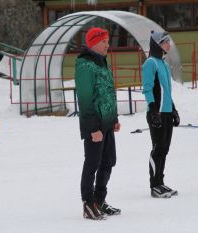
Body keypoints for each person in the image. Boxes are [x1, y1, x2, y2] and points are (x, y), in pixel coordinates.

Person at [75, 27, 121, 220]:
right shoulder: (86, 65)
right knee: (92, 163)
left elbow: (108, 93)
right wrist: (93, 128)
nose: (107, 45)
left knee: (108, 161)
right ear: (93, 42)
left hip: (107, 123)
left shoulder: (102, 63)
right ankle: (88, 203)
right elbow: (85, 100)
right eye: (104, 41)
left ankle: (99, 201)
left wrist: (114, 118)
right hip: (94, 126)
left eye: (108, 41)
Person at [142, 30, 180, 198]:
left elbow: (167, 90)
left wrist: (173, 109)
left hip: (166, 112)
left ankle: (161, 182)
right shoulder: (150, 63)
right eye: (166, 42)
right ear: (158, 44)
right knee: (158, 149)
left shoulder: (163, 63)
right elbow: (148, 88)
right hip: (156, 113)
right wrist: (152, 110)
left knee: (165, 149)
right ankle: (154, 185)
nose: (169, 45)